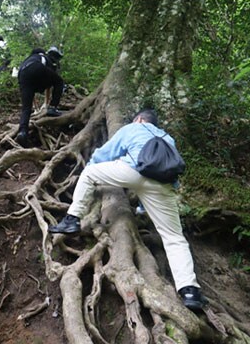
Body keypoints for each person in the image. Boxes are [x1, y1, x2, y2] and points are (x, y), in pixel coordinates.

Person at [48, 108, 207, 311]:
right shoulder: (167, 138)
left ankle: (72, 219)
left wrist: (91, 164)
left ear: (139, 119)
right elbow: (164, 165)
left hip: (132, 172)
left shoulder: (132, 128)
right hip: (162, 185)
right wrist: (142, 207)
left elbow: (105, 153)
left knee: (89, 173)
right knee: (174, 237)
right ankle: (189, 291)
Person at [15, 46, 65, 146]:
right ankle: (53, 108)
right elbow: (49, 83)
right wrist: (48, 104)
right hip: (36, 69)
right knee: (59, 82)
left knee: (26, 108)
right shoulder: (44, 58)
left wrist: (35, 105)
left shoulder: (28, 59)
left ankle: (22, 132)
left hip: (22, 75)